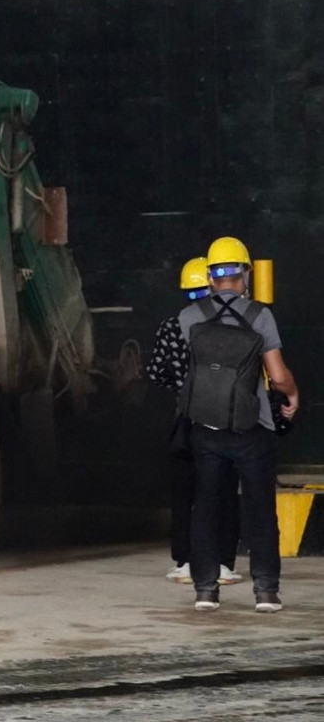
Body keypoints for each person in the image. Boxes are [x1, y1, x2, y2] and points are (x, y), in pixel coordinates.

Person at [180, 237, 300, 613]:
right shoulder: (260, 316)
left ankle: (205, 590)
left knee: (206, 507)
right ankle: (265, 592)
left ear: (212, 276)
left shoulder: (189, 318)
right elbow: (277, 376)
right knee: (260, 507)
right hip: (253, 427)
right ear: (245, 274)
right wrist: (292, 396)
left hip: (205, 427)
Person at [146, 257, 240, 585]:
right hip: (225, 419)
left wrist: (183, 386)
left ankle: (186, 561)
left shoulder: (173, 327)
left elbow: (157, 373)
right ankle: (224, 563)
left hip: (187, 419)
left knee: (186, 493)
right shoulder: (234, 326)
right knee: (224, 490)